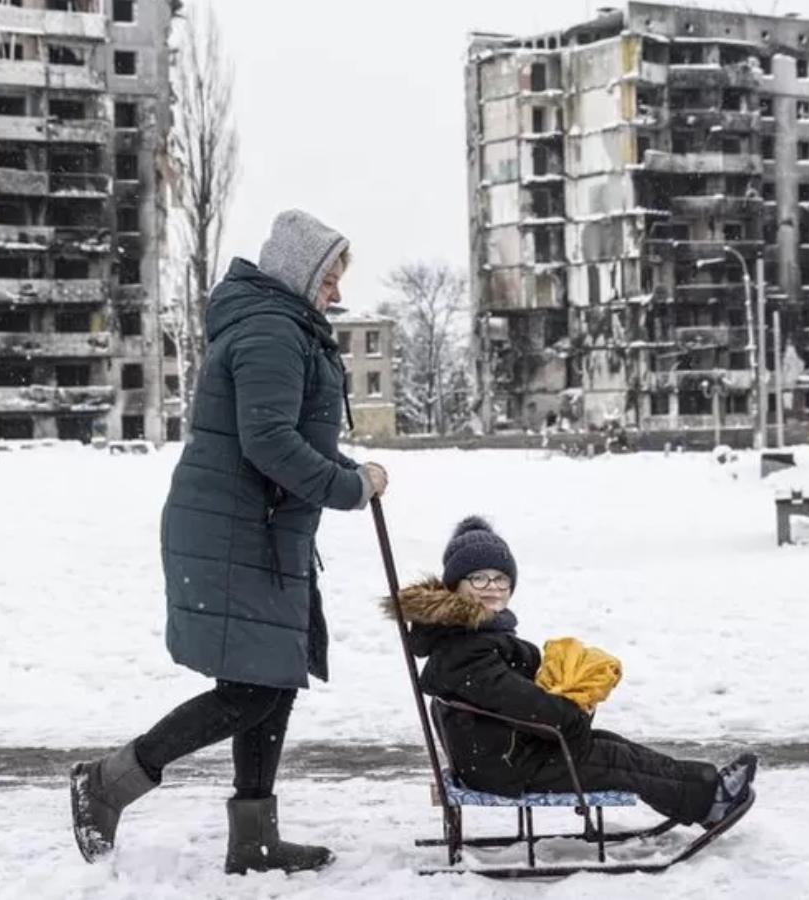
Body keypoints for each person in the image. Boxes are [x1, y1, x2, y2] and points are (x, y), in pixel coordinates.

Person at [70, 210, 389, 874]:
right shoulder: (273, 328)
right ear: (300, 271)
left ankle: (254, 837)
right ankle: (106, 783)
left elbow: (286, 431)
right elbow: (268, 441)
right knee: (253, 689)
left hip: (255, 525)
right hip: (237, 528)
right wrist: (350, 485)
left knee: (271, 679)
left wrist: (340, 474)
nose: (333, 293)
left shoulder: (281, 322)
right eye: (328, 279)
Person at [388, 516, 757, 830]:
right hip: (506, 765)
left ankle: (705, 788)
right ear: (456, 585)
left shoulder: (472, 633)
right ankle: (710, 802)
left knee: (611, 745)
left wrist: (570, 690)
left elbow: (516, 693)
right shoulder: (465, 645)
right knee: (610, 760)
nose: (492, 588)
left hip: (505, 751)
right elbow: (517, 700)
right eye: (479, 579)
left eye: (501, 579)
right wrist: (571, 715)